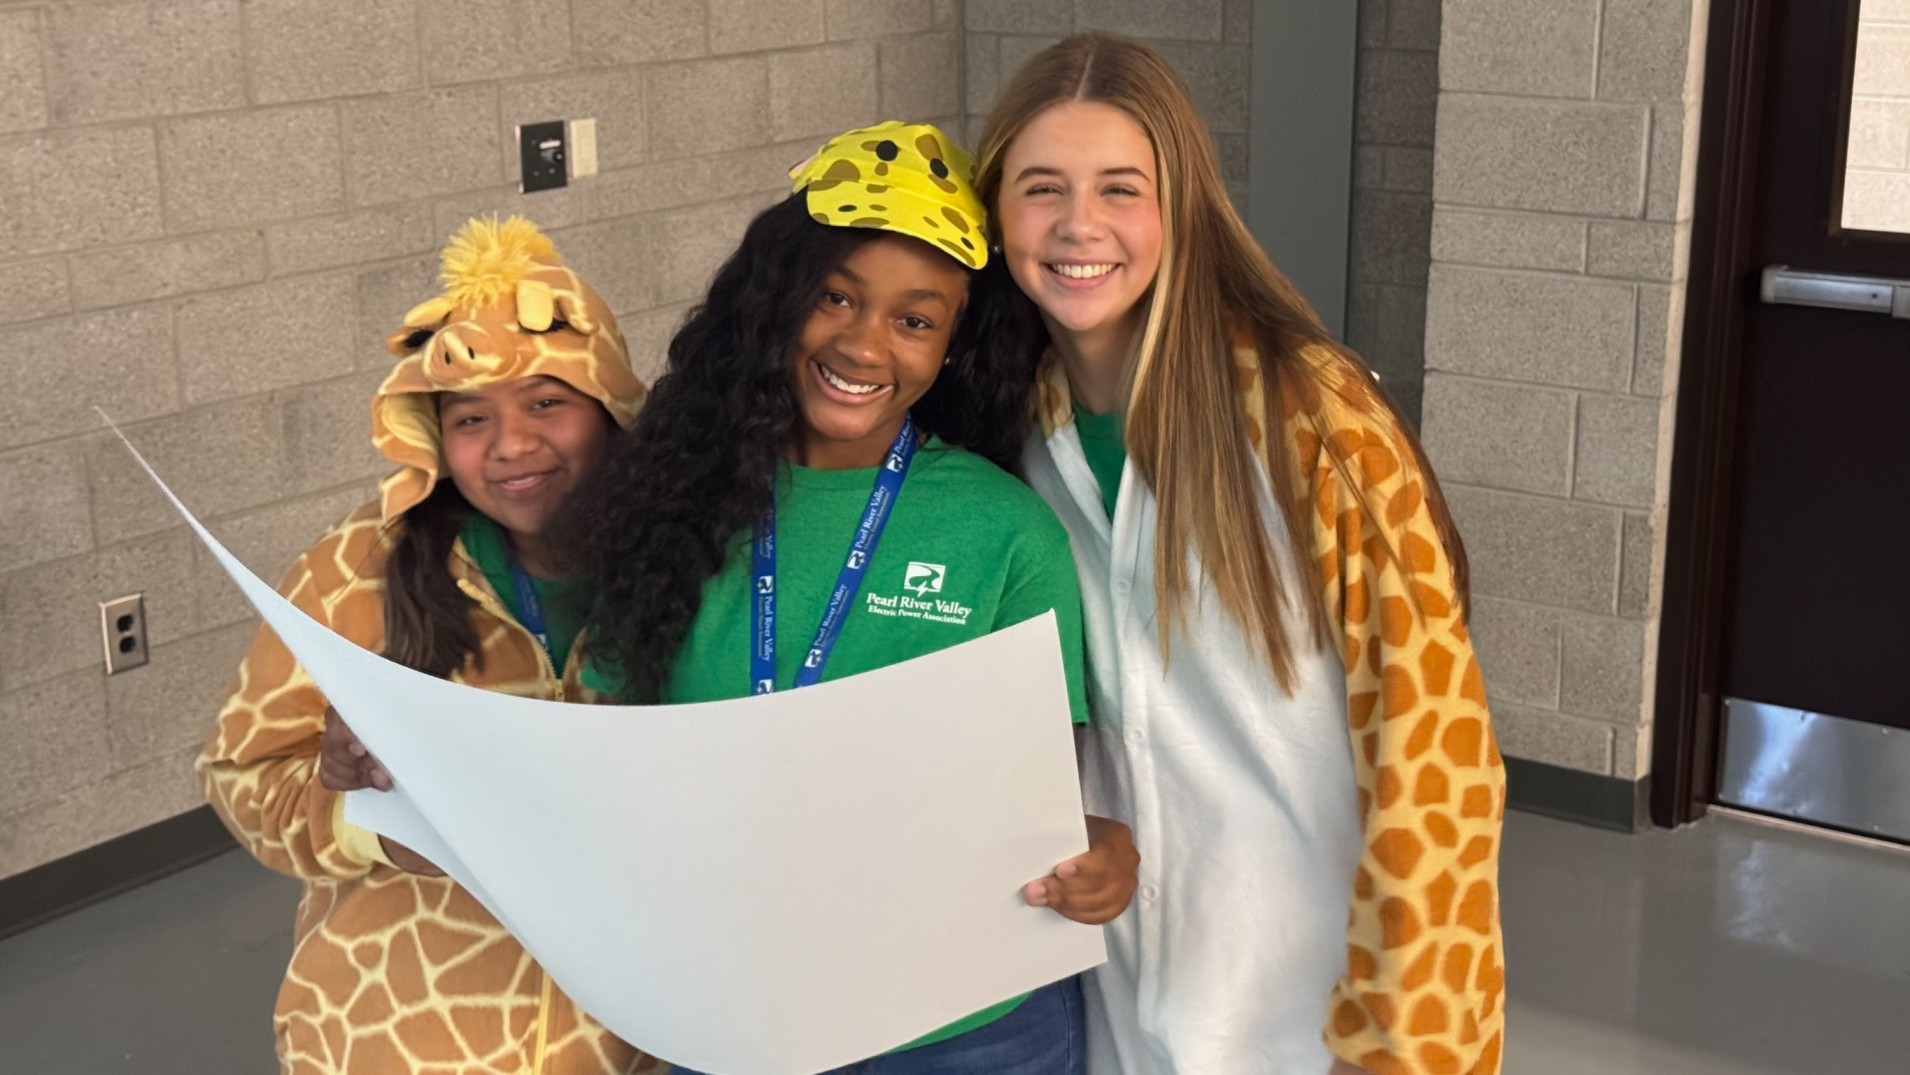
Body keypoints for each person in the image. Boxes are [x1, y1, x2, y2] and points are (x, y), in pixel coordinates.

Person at [973, 34, 1508, 1075]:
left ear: (1182, 208)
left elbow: (1430, 748)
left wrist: (1411, 1033)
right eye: (1041, 188)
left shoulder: (1314, 415)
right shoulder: (1007, 434)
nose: (1078, 225)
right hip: (1112, 984)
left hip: (1304, 1003)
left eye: (1120, 188)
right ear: (997, 211)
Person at [560, 121, 1137, 1075]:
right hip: (736, 1003)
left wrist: (1097, 850)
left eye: (915, 320)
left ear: (953, 345)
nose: (866, 344)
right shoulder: (674, 507)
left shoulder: (1004, 533)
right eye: (835, 298)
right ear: (774, 303)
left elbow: (1044, 792)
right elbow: (614, 747)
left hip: (964, 1027)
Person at [197, 217, 660, 1074]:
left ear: (611, 408)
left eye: (548, 402)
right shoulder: (357, 568)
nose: (512, 446)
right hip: (394, 1040)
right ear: (434, 438)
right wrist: (360, 815)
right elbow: (242, 771)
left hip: (621, 1037)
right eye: (471, 418)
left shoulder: (688, 566)